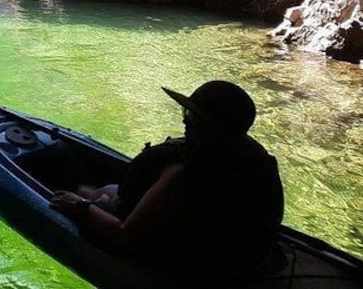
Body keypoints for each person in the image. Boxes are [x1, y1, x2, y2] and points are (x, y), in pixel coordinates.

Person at [49, 81, 284, 274]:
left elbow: (124, 236)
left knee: (86, 192)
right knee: (109, 189)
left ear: (208, 127)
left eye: (192, 116)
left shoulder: (183, 173)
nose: (185, 120)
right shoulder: (254, 158)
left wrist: (80, 206)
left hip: (197, 265)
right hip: (247, 256)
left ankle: (79, 192)